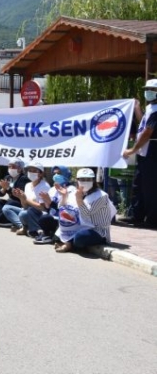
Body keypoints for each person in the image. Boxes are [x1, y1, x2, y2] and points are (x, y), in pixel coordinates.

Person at [45, 168, 114, 253]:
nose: (85, 182)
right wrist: (64, 196)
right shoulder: (74, 192)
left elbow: (86, 214)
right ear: (77, 181)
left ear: (93, 180)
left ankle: (68, 244)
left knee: (80, 238)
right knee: (58, 231)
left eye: (88, 179)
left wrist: (79, 200)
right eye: (82, 179)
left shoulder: (101, 196)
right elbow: (62, 209)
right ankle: (67, 242)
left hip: (97, 230)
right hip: (79, 226)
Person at [120, 78, 157, 228]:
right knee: (139, 184)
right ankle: (137, 215)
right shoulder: (150, 108)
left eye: (152, 90)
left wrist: (132, 150)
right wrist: (137, 108)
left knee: (150, 186)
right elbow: (144, 123)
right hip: (144, 152)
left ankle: (153, 218)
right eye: (147, 89)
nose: (148, 92)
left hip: (153, 151)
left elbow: (148, 132)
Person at [4, 161, 50, 236]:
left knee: (23, 213)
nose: (31, 173)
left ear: (41, 174)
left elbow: (42, 208)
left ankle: (32, 229)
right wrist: (21, 197)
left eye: (34, 171)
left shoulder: (44, 186)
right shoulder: (28, 185)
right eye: (30, 170)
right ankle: (23, 227)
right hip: (27, 210)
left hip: (39, 213)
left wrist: (25, 199)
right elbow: (25, 206)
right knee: (6, 208)